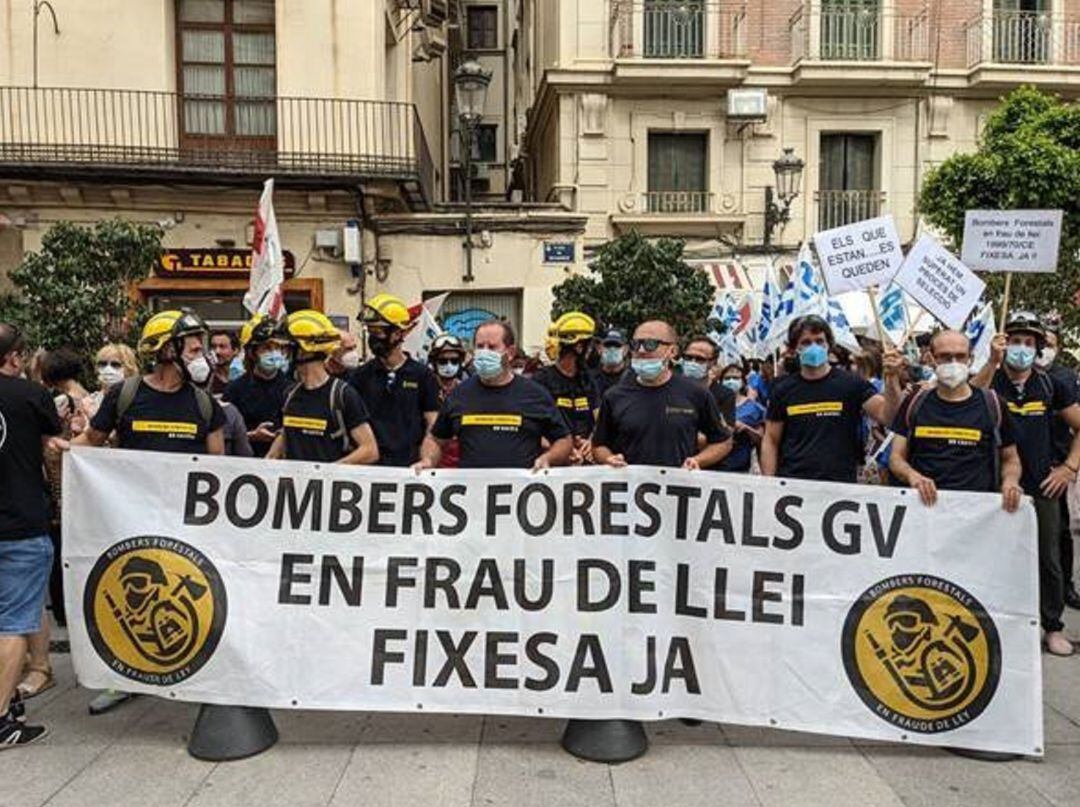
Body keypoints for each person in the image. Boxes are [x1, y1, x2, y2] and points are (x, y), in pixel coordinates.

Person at [73, 309, 226, 713]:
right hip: (131, 520)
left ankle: (196, 670)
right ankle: (124, 677)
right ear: (167, 350)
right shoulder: (125, 395)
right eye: (193, 346)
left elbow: (219, 469)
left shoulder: (205, 405)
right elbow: (93, 439)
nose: (202, 354)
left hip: (187, 525)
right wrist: (65, 450)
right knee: (131, 597)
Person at [974, 312, 1080, 656]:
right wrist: (990, 362)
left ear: (1037, 349)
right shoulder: (992, 382)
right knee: (995, 556)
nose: (1021, 348)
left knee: (1048, 559)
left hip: (1042, 487)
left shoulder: (1052, 385)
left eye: (1028, 343)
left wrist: (1069, 468)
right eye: (1015, 341)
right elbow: (968, 398)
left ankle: (1052, 627)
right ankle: (996, 623)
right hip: (993, 487)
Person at [0, 323, 63, 748]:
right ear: (16, 358)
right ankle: (2, 718)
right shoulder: (30, 396)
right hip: (21, 524)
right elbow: (52, 447)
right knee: (13, 624)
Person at [17, 348, 90, 703]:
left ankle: (38, 666)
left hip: (45, 509)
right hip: (39, 510)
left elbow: (52, 447)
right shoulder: (40, 398)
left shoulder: (45, 399)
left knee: (26, 596)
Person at [888, 329, 1023, 514]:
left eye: (960, 356)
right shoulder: (915, 403)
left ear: (971, 359)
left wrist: (1010, 481)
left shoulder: (993, 405)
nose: (953, 363)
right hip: (924, 511)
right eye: (945, 356)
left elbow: (1011, 458)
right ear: (931, 359)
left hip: (977, 516)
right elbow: (896, 457)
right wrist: (913, 476)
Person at [413, 319, 572, 471]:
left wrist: (548, 458)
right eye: (480, 346)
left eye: (492, 347)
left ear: (510, 353)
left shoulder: (535, 395)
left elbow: (564, 441)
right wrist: (428, 460)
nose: (484, 352)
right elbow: (435, 439)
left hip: (522, 493)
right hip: (472, 493)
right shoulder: (459, 395)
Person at [762, 315, 903, 484]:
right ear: (794, 349)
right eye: (806, 342)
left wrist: (893, 380)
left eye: (819, 341)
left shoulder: (852, 384)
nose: (814, 347)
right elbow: (771, 439)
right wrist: (768, 485)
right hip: (793, 483)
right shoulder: (782, 389)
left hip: (840, 486)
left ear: (829, 345)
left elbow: (889, 417)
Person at [593, 320, 732, 471]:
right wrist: (608, 458)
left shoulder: (696, 393)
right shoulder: (614, 396)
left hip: (678, 488)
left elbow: (723, 442)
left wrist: (697, 461)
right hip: (630, 489)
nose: (641, 350)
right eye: (635, 344)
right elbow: (599, 445)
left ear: (672, 351)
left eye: (650, 344)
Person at [267, 310, 378, 464]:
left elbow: (370, 450)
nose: (281, 353)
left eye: (287, 347)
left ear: (305, 350)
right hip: (295, 486)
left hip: (325, 486)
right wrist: (267, 463)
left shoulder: (343, 395)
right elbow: (283, 440)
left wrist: (327, 475)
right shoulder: (289, 394)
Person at [348, 294, 440, 467]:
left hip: (409, 471)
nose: (373, 338)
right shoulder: (360, 376)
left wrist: (427, 459)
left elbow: (432, 424)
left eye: (378, 332)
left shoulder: (423, 376)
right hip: (370, 472)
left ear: (398, 333)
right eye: (370, 332)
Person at [1039, 316, 1080, 610]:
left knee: (1060, 534)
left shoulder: (1065, 379)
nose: (1041, 351)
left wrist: (1069, 467)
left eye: (1047, 345)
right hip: (1021, 470)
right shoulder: (1012, 376)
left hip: (1057, 465)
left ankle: (1065, 588)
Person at [532, 311, 600, 464]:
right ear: (579, 347)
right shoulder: (541, 380)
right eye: (589, 346)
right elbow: (531, 428)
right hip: (552, 462)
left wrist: (591, 442)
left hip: (585, 461)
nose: (591, 351)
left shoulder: (588, 380)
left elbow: (599, 419)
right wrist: (561, 449)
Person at [223, 313, 293, 458]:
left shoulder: (292, 389)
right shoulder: (235, 389)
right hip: (246, 461)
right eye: (267, 348)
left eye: (280, 348)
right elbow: (223, 433)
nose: (275, 354)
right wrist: (251, 435)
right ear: (253, 353)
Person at [715, 363, 766, 473]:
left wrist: (746, 428)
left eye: (735, 378)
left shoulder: (754, 408)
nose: (731, 381)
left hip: (739, 467)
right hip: (713, 465)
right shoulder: (712, 403)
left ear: (743, 382)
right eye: (727, 378)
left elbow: (762, 439)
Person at [428, 334, 468, 469]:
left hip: (461, 466)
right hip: (430, 465)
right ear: (434, 362)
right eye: (443, 361)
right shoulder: (425, 390)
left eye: (454, 360)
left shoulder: (468, 391)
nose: (449, 365)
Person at [680, 334, 736, 429]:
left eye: (700, 359)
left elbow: (727, 432)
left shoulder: (725, 395)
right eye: (688, 357)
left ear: (713, 362)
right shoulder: (670, 388)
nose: (693, 362)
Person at [591, 328, 628, 398]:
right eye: (608, 345)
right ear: (599, 349)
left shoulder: (633, 380)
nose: (612, 349)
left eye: (617, 346)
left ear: (625, 350)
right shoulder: (589, 379)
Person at [208, 329, 239, 394]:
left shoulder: (243, 378)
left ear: (235, 350)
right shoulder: (207, 380)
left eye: (222, 347)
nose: (217, 351)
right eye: (213, 347)